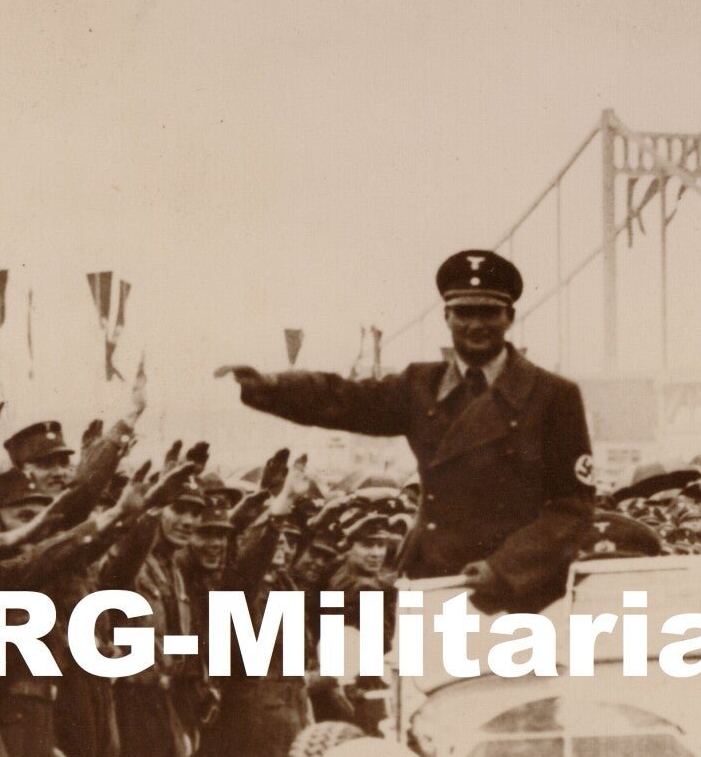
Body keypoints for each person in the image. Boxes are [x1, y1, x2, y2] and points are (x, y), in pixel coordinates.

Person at [217, 249, 594, 612]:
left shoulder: (553, 397)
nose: (476, 324)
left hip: (519, 596)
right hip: (432, 582)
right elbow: (344, 399)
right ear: (446, 316)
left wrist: (504, 568)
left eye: (489, 312)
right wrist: (270, 386)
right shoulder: (420, 385)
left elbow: (572, 508)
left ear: (509, 317)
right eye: (464, 312)